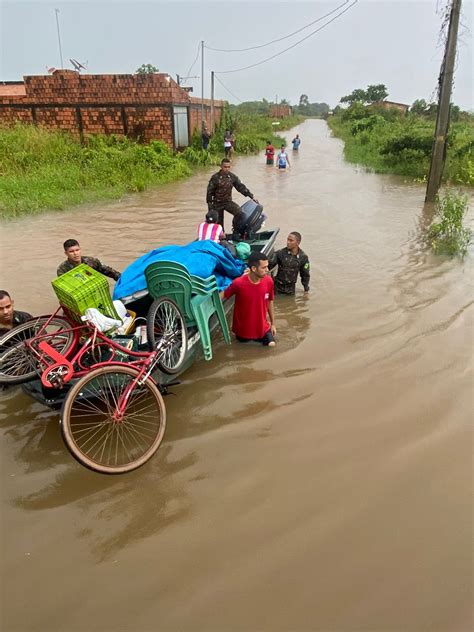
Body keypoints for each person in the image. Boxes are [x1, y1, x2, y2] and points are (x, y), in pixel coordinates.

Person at [221, 252, 276, 347]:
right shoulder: (238, 283)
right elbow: (222, 296)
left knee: (272, 345)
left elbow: (270, 301)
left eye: (267, 266)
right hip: (243, 331)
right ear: (254, 269)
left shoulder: (269, 281)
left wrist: (273, 324)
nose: (267, 270)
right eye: (263, 268)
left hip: (263, 328)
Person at [206, 158, 259, 232]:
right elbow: (209, 192)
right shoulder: (215, 177)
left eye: (228, 167)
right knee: (218, 224)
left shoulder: (232, 177)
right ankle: (220, 237)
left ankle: (236, 230)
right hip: (217, 204)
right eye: (225, 167)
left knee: (240, 214)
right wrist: (210, 208)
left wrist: (251, 196)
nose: (226, 169)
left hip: (228, 202)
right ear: (221, 166)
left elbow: (241, 187)